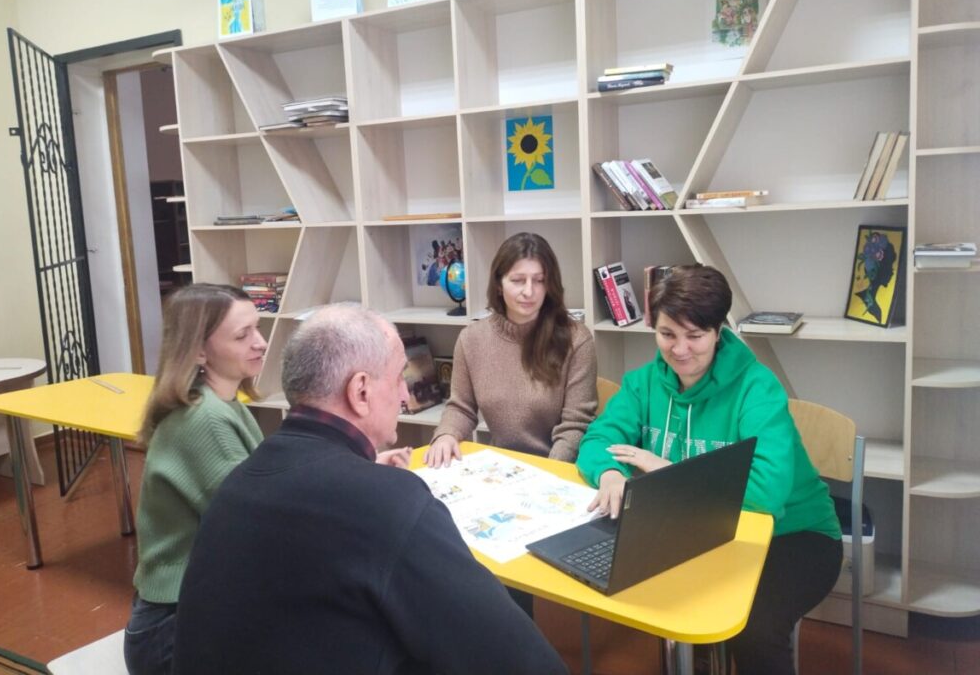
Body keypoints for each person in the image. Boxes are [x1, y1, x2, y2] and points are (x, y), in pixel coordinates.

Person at [172, 304, 568, 675]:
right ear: (360, 391)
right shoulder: (390, 502)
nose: (404, 395)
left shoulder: (240, 482)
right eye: (398, 378)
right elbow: (521, 661)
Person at [577, 265, 841, 675]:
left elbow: (766, 494)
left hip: (793, 534)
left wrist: (666, 470)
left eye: (695, 335)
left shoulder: (757, 388)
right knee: (648, 594)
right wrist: (610, 474)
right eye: (667, 334)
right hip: (695, 526)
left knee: (753, 630)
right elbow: (597, 440)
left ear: (718, 332)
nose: (680, 350)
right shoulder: (643, 384)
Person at [124, 283, 267, 675]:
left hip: (191, 611)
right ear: (200, 351)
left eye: (257, 328)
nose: (260, 342)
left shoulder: (223, 404)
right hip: (173, 630)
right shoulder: (204, 420)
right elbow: (261, 522)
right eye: (242, 335)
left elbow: (267, 485)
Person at [424, 232, 597, 468]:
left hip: (559, 468)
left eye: (539, 280)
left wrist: (547, 473)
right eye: (518, 280)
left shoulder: (577, 340)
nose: (529, 291)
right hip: (503, 469)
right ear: (498, 284)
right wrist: (446, 435)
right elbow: (461, 408)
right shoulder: (472, 339)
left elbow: (575, 426)